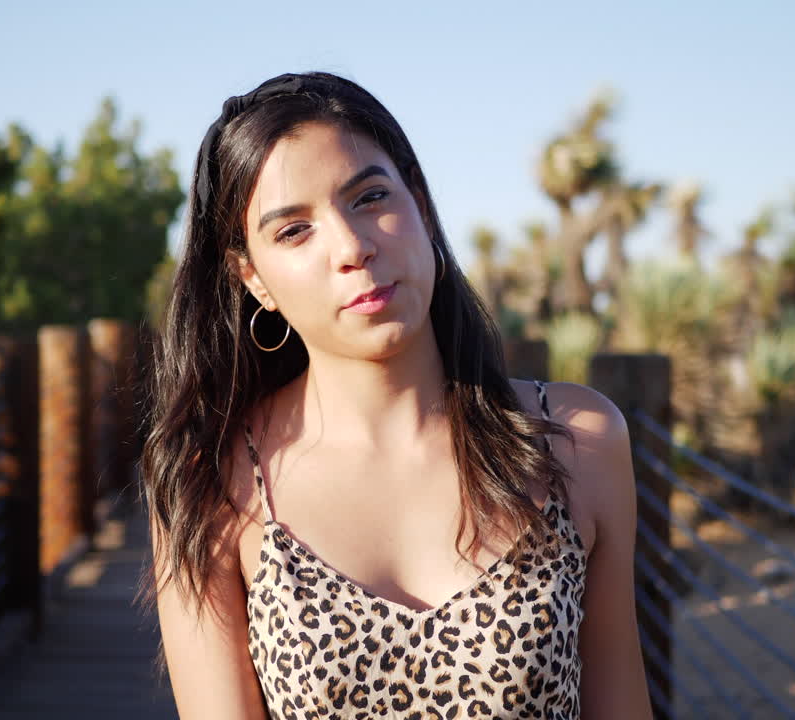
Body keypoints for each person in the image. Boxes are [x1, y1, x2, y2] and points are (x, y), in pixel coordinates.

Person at [141, 71, 651, 719]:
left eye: (370, 196)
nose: (353, 247)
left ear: (420, 204)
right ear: (253, 278)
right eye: (294, 231)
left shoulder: (577, 440)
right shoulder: (212, 478)